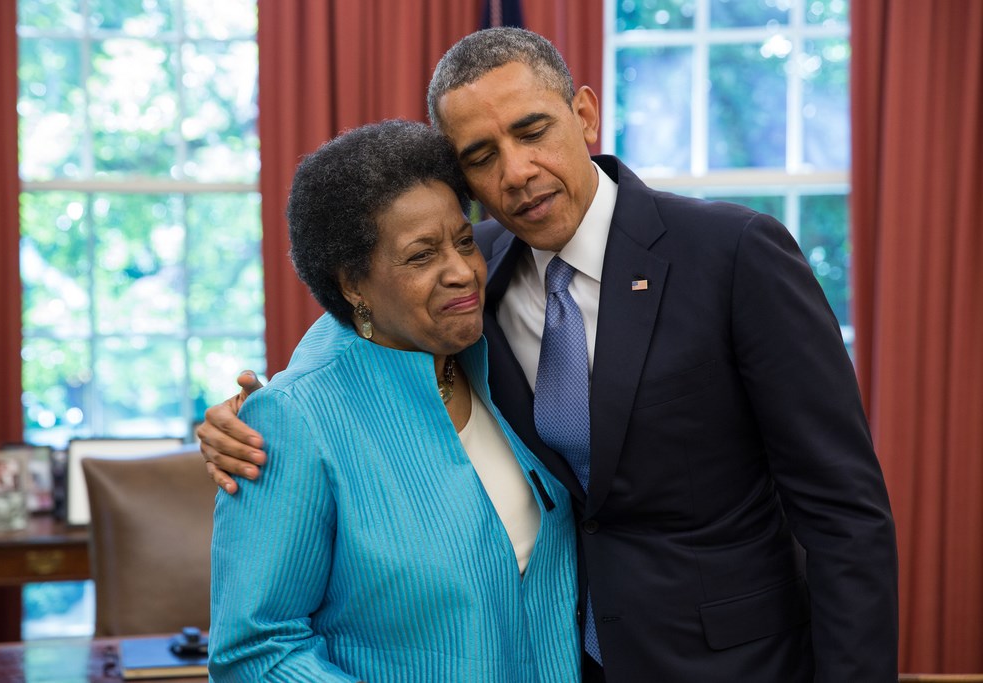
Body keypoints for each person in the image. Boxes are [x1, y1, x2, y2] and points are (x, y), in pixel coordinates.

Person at [198, 27, 899, 682]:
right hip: (564, 658)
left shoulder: (735, 254)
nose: (517, 171)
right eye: (481, 156)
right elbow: (368, 324)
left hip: (730, 661)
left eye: (532, 130)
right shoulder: (479, 273)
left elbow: (844, 512)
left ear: (584, 115)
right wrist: (254, 411)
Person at [206, 119, 580, 682]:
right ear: (353, 283)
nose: (462, 272)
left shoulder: (494, 355)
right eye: (421, 255)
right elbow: (254, 653)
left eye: (462, 241)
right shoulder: (292, 421)